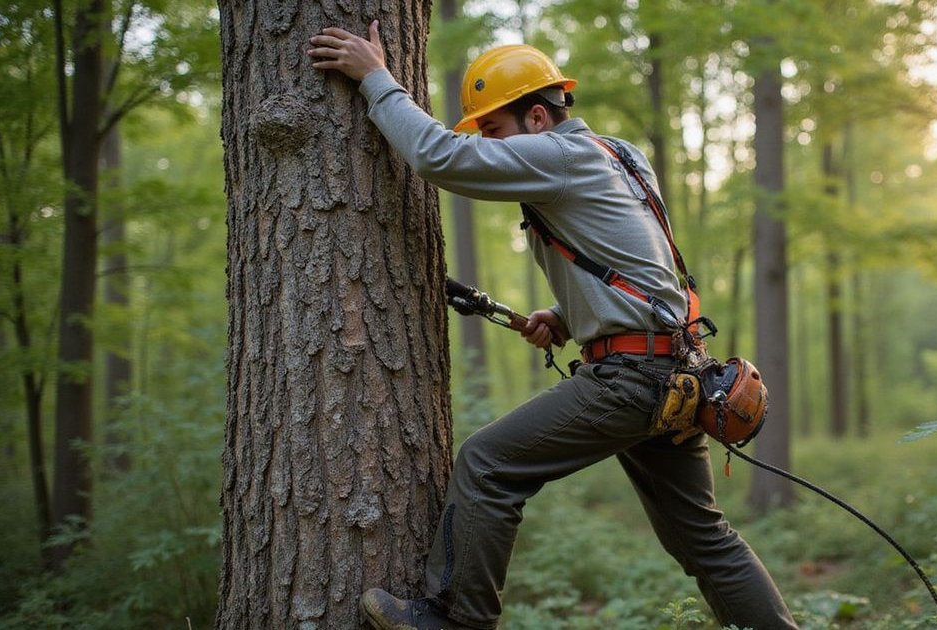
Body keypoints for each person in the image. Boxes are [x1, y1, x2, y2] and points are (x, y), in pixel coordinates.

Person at [307, 21, 798, 630]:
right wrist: (570, 317)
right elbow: (646, 259)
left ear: (539, 118)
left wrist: (376, 79)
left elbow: (439, 157)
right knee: (705, 540)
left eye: (494, 130)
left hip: (633, 378)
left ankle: (459, 622)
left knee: (487, 464)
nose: (491, 146)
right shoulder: (622, 155)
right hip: (677, 370)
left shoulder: (560, 155)